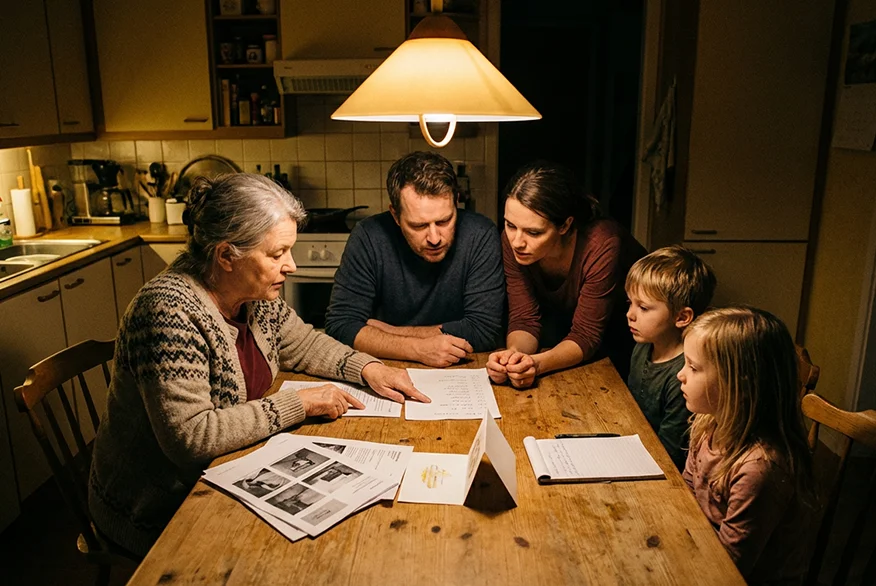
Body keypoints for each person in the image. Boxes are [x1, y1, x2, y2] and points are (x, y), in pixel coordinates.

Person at [88, 173, 429, 557]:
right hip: (158, 507)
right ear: (226, 255)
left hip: (226, 470)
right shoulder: (169, 311)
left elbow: (304, 343)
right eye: (277, 253)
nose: (292, 266)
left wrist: (369, 369)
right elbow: (192, 437)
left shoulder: (254, 295)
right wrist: (299, 404)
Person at [324, 151, 505, 367]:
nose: (435, 238)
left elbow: (483, 330)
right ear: (395, 215)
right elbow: (340, 325)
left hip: (463, 368)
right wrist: (416, 349)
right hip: (384, 370)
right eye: (419, 225)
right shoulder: (368, 236)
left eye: (445, 221)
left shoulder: (480, 234)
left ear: (456, 202)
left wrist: (390, 332)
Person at [678, 306, 815, 583]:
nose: (681, 375)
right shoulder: (707, 424)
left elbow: (729, 570)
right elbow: (686, 497)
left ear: (737, 384)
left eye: (693, 367)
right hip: (702, 551)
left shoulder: (759, 468)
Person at [487, 161, 646, 388]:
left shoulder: (601, 244)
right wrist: (512, 357)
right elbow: (524, 318)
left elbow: (586, 334)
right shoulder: (512, 241)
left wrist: (536, 364)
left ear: (565, 225)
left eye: (534, 232)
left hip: (630, 341)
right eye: (510, 225)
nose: (517, 242)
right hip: (572, 339)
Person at [625, 245, 717, 471]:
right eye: (630, 303)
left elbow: (670, 453)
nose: (630, 314)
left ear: (682, 317)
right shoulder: (643, 346)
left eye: (644, 308)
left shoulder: (684, 375)